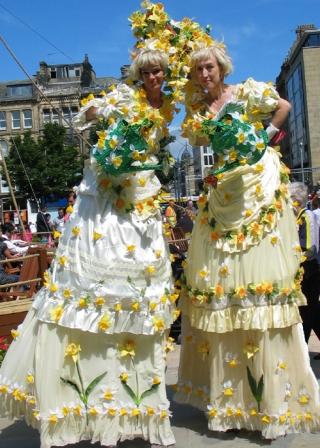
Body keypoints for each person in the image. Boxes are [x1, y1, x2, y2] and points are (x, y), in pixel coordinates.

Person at [0, 48, 177, 447]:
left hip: (141, 205)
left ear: (165, 75)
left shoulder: (166, 105)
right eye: (147, 71)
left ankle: (132, 407)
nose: (153, 77)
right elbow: (87, 115)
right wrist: (107, 115)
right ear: (138, 74)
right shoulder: (124, 96)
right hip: (104, 203)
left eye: (158, 71)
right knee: (90, 295)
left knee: (139, 300)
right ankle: (79, 403)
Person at [174, 43, 320, 438]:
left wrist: (264, 138)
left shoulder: (246, 92)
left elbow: (284, 107)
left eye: (209, 67)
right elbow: (204, 144)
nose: (205, 74)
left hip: (257, 186)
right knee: (225, 288)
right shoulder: (200, 112)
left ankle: (271, 400)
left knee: (261, 286)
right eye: (198, 70)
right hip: (224, 193)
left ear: (221, 67)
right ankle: (231, 400)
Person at [289, 182, 320, 345]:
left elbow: (309, 248)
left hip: (309, 272)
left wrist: (291, 258)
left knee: (307, 313)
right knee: (313, 313)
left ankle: (302, 351)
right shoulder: (299, 217)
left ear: (296, 200)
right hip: (305, 271)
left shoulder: (306, 216)